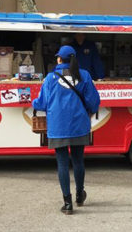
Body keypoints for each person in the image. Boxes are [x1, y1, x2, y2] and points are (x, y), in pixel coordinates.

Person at [32, 45, 100, 215]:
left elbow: (42, 103)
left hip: (58, 126)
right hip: (79, 125)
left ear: (59, 59)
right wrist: (89, 112)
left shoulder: (50, 78)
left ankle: (67, 203)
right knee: (78, 161)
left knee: (62, 163)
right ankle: (80, 194)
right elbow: (94, 101)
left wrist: (33, 102)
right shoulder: (84, 75)